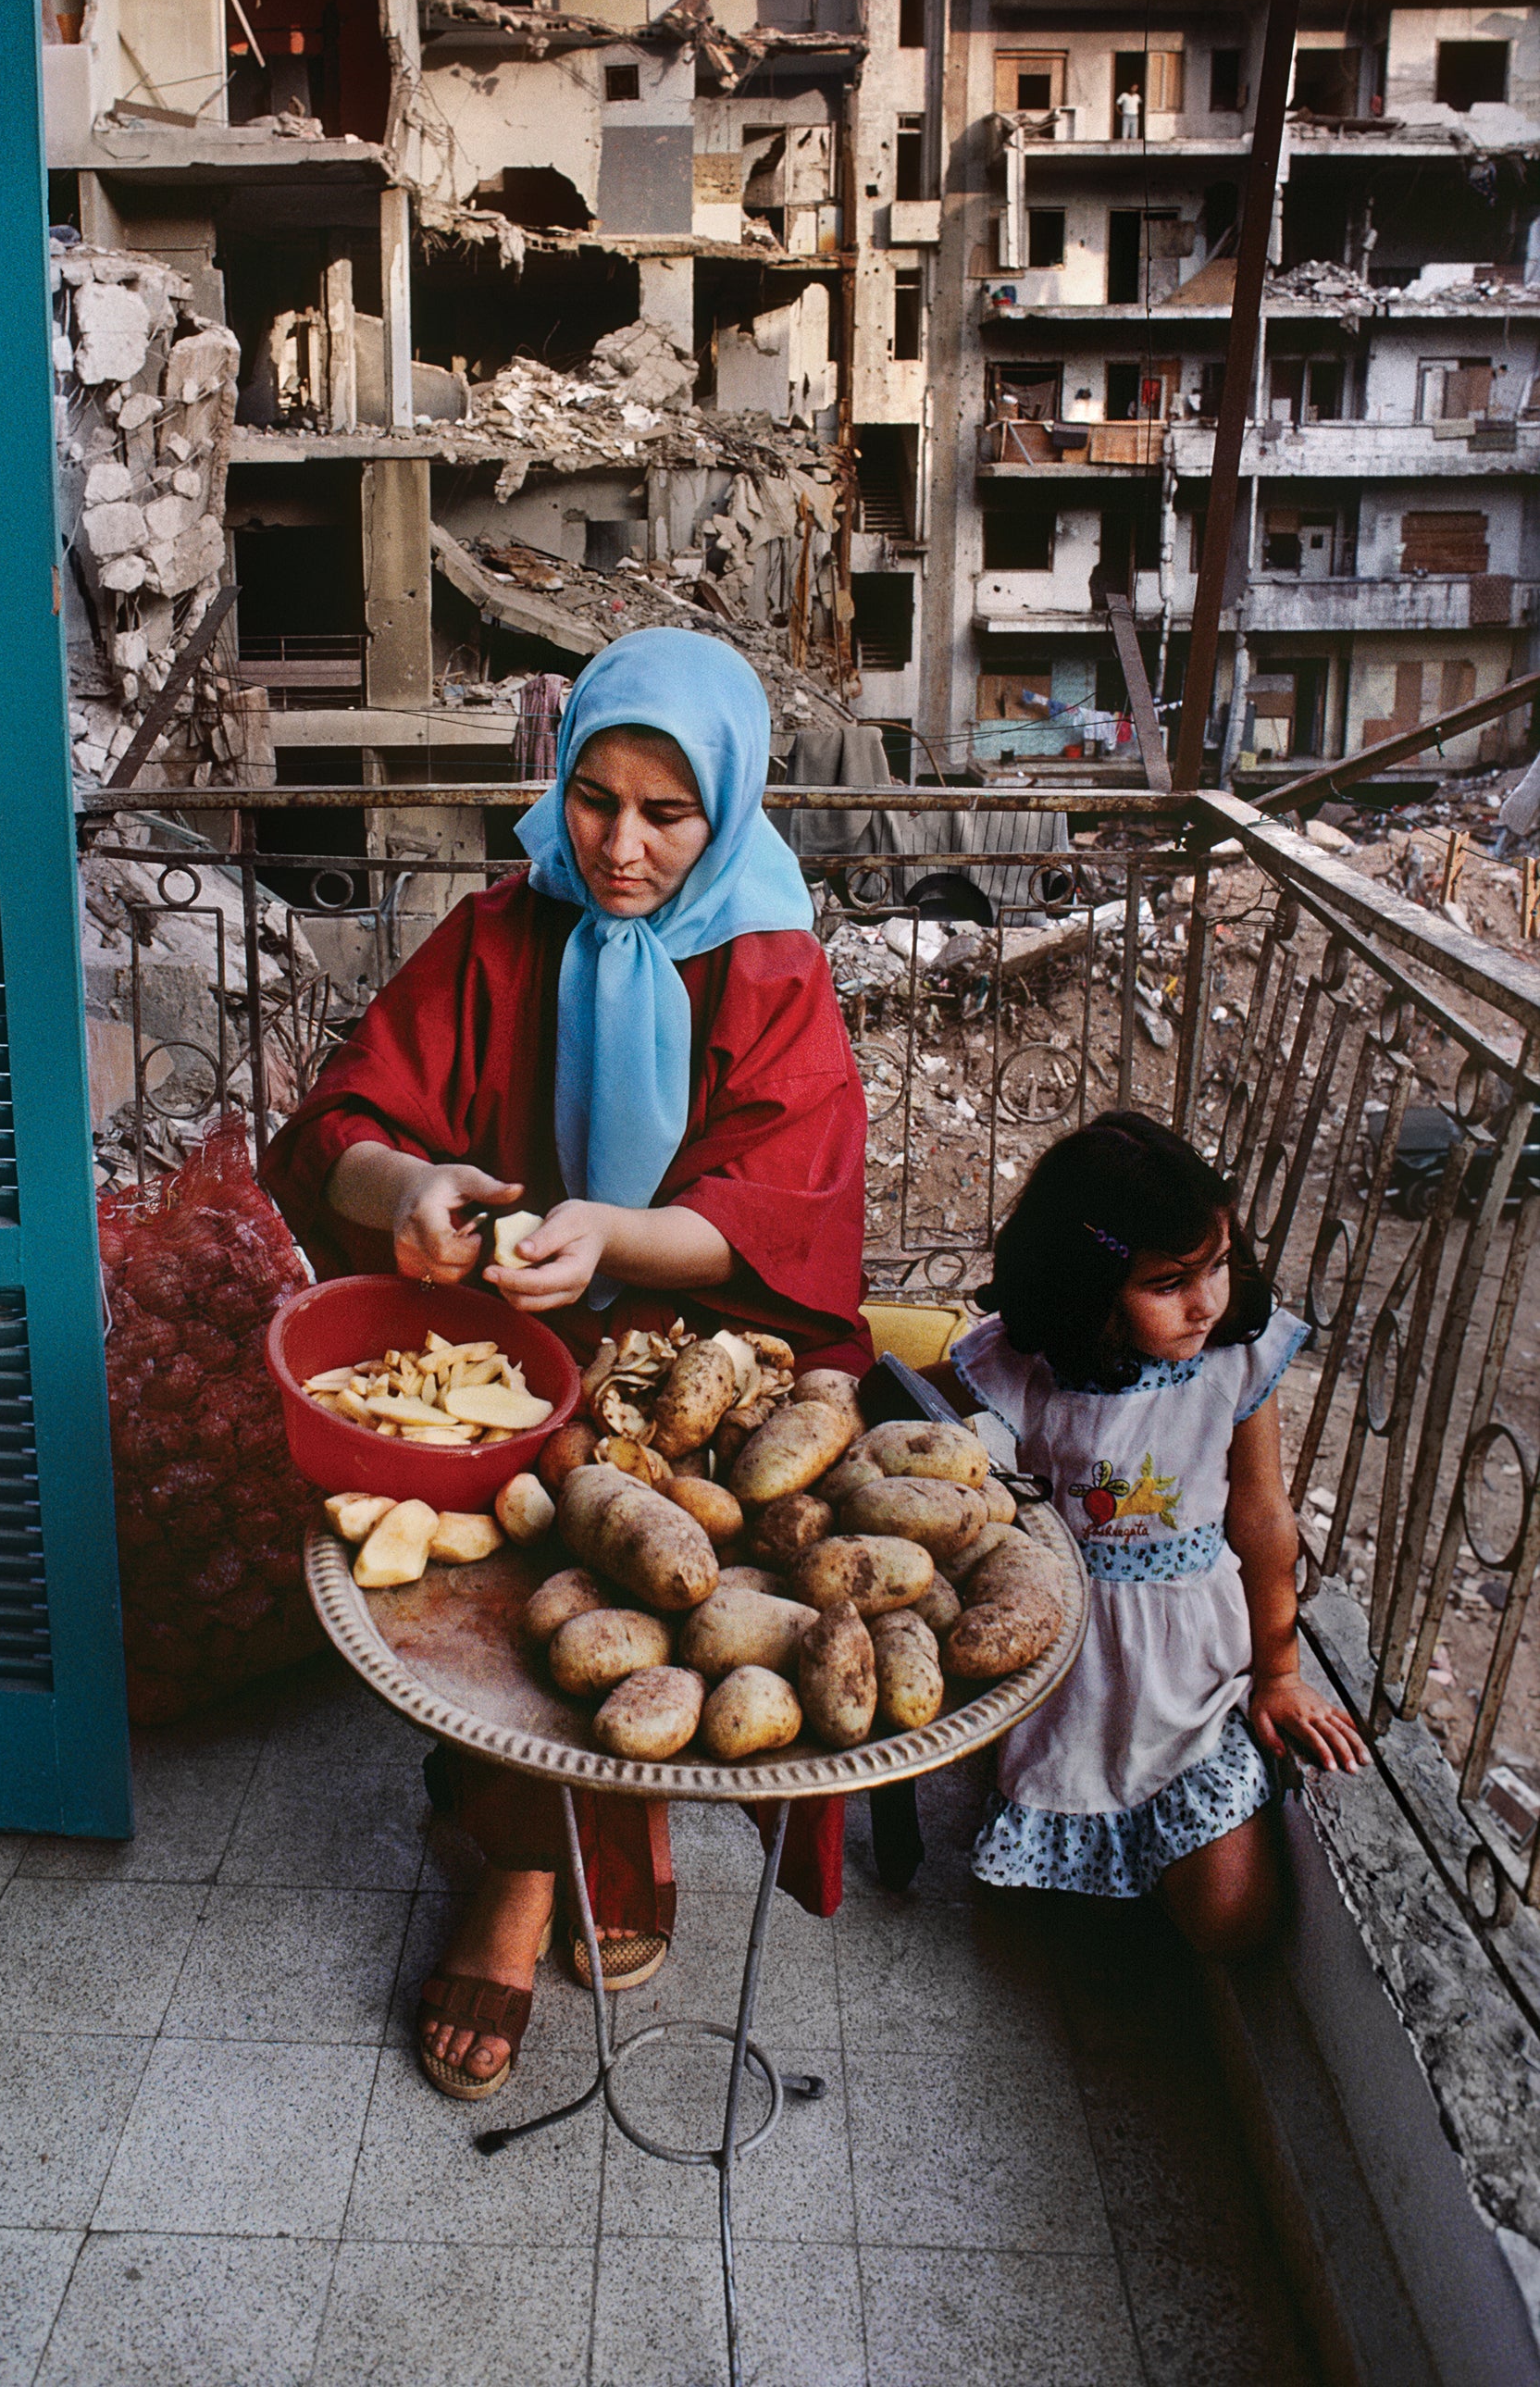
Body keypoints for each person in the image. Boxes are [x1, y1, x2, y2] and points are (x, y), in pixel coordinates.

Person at [264, 628, 871, 2096]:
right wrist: (406, 1196)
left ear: (727, 810)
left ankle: (547, 1859)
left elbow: (775, 1216)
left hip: (709, 1351)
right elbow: (342, 1123)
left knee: (651, 1558)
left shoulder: (771, 968)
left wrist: (607, 1236)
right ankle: (540, 1868)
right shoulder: (498, 933)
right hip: (512, 1342)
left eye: (667, 815)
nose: (616, 846)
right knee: (529, 1525)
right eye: (592, 798)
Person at [925, 1111, 1365, 1956]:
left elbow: (1264, 1516)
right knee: (1049, 1930)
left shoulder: (1236, 1359)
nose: (1206, 1303)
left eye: (1219, 1266)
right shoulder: (1032, 1362)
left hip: (1195, 1670)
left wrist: (1277, 1672)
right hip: (1070, 1666)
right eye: (1168, 1285)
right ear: (1085, 1292)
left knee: (1231, 1919)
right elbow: (904, 1400)